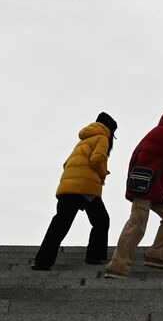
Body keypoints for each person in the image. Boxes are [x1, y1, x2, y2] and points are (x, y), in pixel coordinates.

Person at [104, 107, 163, 279]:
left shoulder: (160, 133)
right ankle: (117, 266)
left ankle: (156, 256)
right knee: (137, 225)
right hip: (144, 189)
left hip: (151, 189)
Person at [32, 112, 117, 270]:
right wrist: (103, 174)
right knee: (102, 220)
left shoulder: (84, 139)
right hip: (86, 189)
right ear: (110, 129)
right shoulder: (102, 137)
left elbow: (66, 164)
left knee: (60, 224)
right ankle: (94, 256)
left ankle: (42, 261)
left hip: (68, 187)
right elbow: (97, 159)